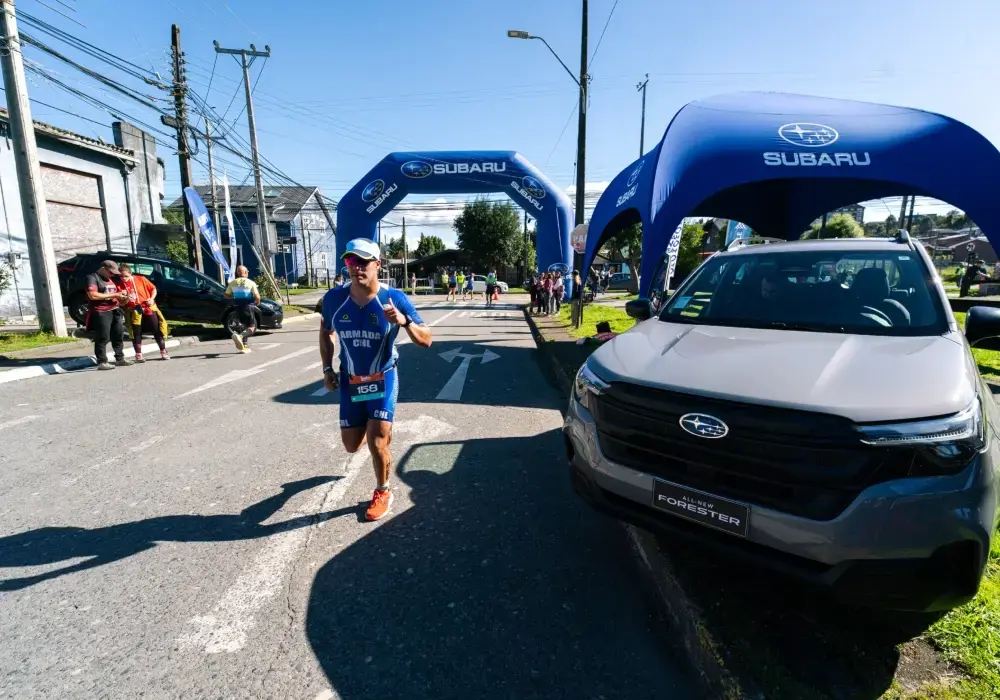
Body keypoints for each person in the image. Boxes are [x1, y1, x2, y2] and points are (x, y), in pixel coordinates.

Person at [319, 238, 433, 521]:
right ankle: (378, 432)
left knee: (377, 441)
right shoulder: (334, 299)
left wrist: (403, 322)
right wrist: (326, 369)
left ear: (377, 265)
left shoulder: (394, 298)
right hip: (350, 380)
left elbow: (427, 340)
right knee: (351, 445)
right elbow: (325, 332)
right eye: (350, 261)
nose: (356, 268)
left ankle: (383, 490)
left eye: (363, 262)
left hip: (384, 378)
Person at [117, 263, 169, 362]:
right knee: (136, 332)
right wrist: (124, 299)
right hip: (133, 310)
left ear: (130, 274)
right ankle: (138, 355)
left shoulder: (141, 279)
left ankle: (163, 351)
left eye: (126, 276)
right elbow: (121, 303)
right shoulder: (120, 285)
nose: (123, 278)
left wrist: (151, 299)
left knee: (156, 329)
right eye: (121, 276)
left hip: (147, 307)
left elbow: (153, 289)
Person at [86, 260, 132, 370]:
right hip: (101, 311)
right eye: (111, 273)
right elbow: (92, 295)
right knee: (103, 337)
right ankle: (102, 361)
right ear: (103, 269)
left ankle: (120, 359)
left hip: (115, 310)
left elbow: (114, 296)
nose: (112, 275)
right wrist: (116, 294)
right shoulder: (92, 278)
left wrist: (124, 298)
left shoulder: (109, 279)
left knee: (118, 335)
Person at [224, 265, 261, 353]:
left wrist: (234, 295)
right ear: (245, 272)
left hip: (237, 307)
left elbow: (226, 295)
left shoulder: (232, 283)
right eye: (247, 271)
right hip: (248, 306)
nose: (247, 273)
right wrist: (257, 302)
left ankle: (244, 346)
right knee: (252, 327)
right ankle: (239, 336)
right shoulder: (250, 282)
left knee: (244, 325)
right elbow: (257, 295)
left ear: (237, 273)